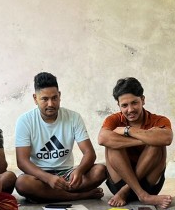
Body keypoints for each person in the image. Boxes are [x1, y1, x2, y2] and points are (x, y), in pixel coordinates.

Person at [14, 72, 106, 202]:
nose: (50, 104)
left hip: (67, 174)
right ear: (35, 98)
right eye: (44, 99)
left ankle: (48, 195)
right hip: (40, 176)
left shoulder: (74, 117)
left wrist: (79, 171)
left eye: (54, 98)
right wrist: (48, 178)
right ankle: (78, 196)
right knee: (22, 183)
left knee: (100, 171)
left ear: (60, 96)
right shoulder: (25, 120)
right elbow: (22, 161)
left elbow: (89, 153)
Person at [98, 77, 173, 208]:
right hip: (119, 182)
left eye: (134, 103)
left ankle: (127, 190)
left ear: (143, 100)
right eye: (124, 105)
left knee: (157, 143)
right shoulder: (114, 119)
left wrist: (128, 130)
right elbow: (102, 139)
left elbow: (167, 138)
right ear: (118, 105)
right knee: (112, 145)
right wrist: (144, 139)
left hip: (149, 184)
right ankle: (142, 196)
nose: (130, 109)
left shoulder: (159, 120)